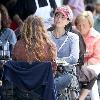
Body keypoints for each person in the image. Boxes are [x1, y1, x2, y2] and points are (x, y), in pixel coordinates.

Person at [48, 5, 80, 99]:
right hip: (48, 71)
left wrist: (55, 61)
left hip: (66, 72)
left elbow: (74, 58)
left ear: (68, 21)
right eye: (57, 15)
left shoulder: (73, 37)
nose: (59, 19)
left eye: (63, 17)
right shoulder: (46, 36)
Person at [75, 11, 100, 100]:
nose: (81, 27)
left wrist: (85, 64)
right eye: (79, 25)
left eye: (84, 25)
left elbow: (97, 57)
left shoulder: (96, 36)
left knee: (91, 75)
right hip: (79, 64)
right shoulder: (74, 34)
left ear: (90, 24)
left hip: (94, 63)